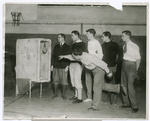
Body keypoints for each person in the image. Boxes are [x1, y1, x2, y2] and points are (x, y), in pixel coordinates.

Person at [59, 48, 126, 111]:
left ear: (78, 55)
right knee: (102, 86)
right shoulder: (80, 56)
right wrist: (64, 56)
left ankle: (95, 107)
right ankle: (119, 88)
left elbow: (102, 64)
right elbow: (72, 57)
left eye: (75, 56)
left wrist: (108, 72)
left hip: (99, 70)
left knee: (96, 88)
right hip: (94, 71)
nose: (74, 57)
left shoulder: (89, 57)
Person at [120, 30, 141, 113]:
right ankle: (126, 103)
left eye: (123, 36)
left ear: (128, 36)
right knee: (123, 85)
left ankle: (135, 106)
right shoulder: (124, 46)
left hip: (131, 65)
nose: (121, 37)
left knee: (130, 86)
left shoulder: (134, 46)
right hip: (124, 64)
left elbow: (138, 59)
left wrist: (136, 70)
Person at [101, 31, 122, 107]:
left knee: (112, 84)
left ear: (107, 36)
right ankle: (104, 100)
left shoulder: (114, 45)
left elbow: (120, 54)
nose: (102, 38)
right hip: (104, 66)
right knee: (104, 83)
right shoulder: (102, 45)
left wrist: (116, 63)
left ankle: (113, 102)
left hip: (112, 66)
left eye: (103, 36)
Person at [84, 28, 103, 102]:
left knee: (96, 83)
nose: (86, 35)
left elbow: (100, 54)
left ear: (91, 34)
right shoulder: (88, 42)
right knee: (88, 81)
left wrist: (97, 63)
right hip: (88, 64)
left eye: (87, 34)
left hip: (95, 64)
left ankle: (96, 98)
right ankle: (89, 97)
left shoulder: (96, 42)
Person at [51, 33, 72, 100]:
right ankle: (55, 94)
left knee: (64, 81)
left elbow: (69, 57)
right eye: (58, 37)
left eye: (59, 37)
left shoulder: (67, 47)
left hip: (63, 66)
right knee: (55, 80)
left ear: (63, 38)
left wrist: (67, 66)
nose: (58, 39)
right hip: (56, 66)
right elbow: (53, 56)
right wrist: (52, 65)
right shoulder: (56, 46)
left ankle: (63, 95)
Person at [68, 30, 87, 104]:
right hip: (72, 63)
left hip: (78, 64)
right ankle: (76, 95)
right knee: (73, 80)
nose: (71, 37)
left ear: (76, 35)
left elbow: (84, 55)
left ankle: (80, 98)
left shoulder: (82, 44)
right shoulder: (73, 44)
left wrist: (81, 63)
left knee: (77, 80)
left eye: (72, 36)